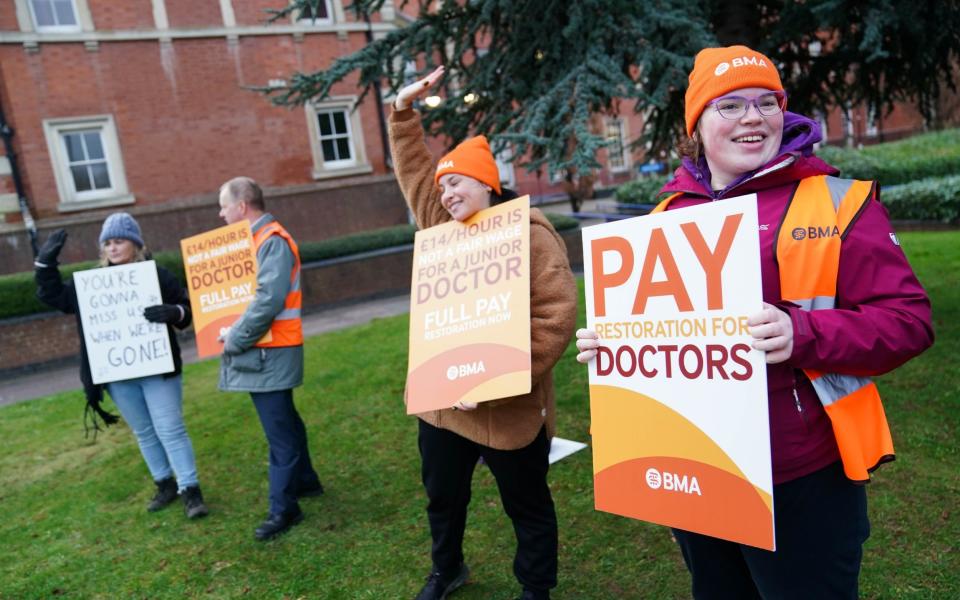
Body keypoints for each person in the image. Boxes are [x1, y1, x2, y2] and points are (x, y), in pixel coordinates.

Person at [575, 45, 934, 599]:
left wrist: (802, 334)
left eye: (767, 102)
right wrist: (614, 346)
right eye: (730, 105)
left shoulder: (837, 202)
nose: (752, 117)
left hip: (800, 472)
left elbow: (909, 321)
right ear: (697, 125)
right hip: (698, 468)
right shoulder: (665, 218)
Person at [390, 66, 578, 600]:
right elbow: (412, 172)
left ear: (487, 183)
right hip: (442, 406)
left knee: (528, 505)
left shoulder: (530, 235)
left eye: (457, 182)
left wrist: (487, 381)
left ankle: (536, 588)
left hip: (509, 412)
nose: (446, 193)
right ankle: (446, 569)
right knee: (442, 499)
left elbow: (556, 318)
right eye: (443, 185)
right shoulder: (441, 232)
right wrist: (403, 113)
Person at [34, 212, 209, 519]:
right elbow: (53, 296)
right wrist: (45, 264)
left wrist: (174, 312)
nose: (113, 248)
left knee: (170, 428)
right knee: (144, 431)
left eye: (119, 241)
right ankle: (165, 483)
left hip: (158, 370)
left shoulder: (157, 275)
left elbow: (188, 308)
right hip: (118, 374)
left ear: (136, 244)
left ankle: (190, 489)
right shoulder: (92, 285)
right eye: (108, 243)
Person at [216, 176, 323, 541]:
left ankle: (284, 508)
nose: (221, 212)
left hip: (270, 351)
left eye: (224, 205)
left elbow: (267, 300)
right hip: (271, 349)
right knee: (286, 421)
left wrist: (234, 338)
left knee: (279, 432)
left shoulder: (270, 241)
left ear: (242, 206)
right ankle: (306, 482)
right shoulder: (260, 240)